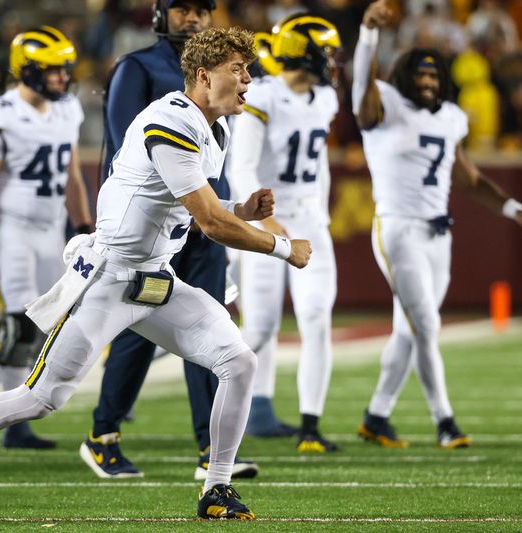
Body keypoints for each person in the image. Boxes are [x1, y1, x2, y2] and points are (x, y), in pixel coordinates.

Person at [0, 26, 311, 520]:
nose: (248, 80)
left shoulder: (215, 126)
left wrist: (243, 207)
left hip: (155, 276)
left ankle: (216, 489)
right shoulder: (169, 120)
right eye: (237, 69)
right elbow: (211, 225)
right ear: (202, 74)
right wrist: (281, 246)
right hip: (109, 278)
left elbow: (189, 205)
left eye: (247, 69)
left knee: (239, 362)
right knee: (41, 397)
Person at [351, 0, 522, 448]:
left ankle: (376, 417)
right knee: (427, 326)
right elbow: (362, 89)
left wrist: (514, 208)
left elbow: (471, 179)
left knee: (410, 328)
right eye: (420, 74)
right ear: (403, 78)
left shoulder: (453, 119)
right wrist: (369, 37)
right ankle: (445, 421)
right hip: (397, 227)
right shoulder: (387, 107)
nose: (428, 81)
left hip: (440, 233)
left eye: (434, 75)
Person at [82, 0, 257, 482]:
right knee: (134, 333)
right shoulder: (137, 68)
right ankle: (104, 433)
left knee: (213, 329)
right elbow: (127, 149)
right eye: (183, 8)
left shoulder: (223, 75)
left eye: (202, 8)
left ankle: (210, 448)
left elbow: (213, 157)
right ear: (162, 14)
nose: (193, 16)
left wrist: (229, 211)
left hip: (203, 225)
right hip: (157, 227)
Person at [0, 25, 92, 449]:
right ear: (26, 70)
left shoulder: (67, 109)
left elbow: (72, 173)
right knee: (18, 319)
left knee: (48, 319)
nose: (62, 78)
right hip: (10, 226)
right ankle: (13, 424)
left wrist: (83, 223)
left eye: (64, 70)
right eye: (53, 70)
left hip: (51, 226)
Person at [229, 14, 341, 451]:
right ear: (306, 52)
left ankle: (311, 427)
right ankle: (214, 417)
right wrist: (265, 222)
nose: (332, 60)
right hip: (267, 215)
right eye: (326, 50)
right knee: (258, 328)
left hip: (310, 218)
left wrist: (322, 215)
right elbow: (241, 167)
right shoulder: (265, 95)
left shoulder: (324, 97)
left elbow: (321, 163)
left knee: (316, 315)